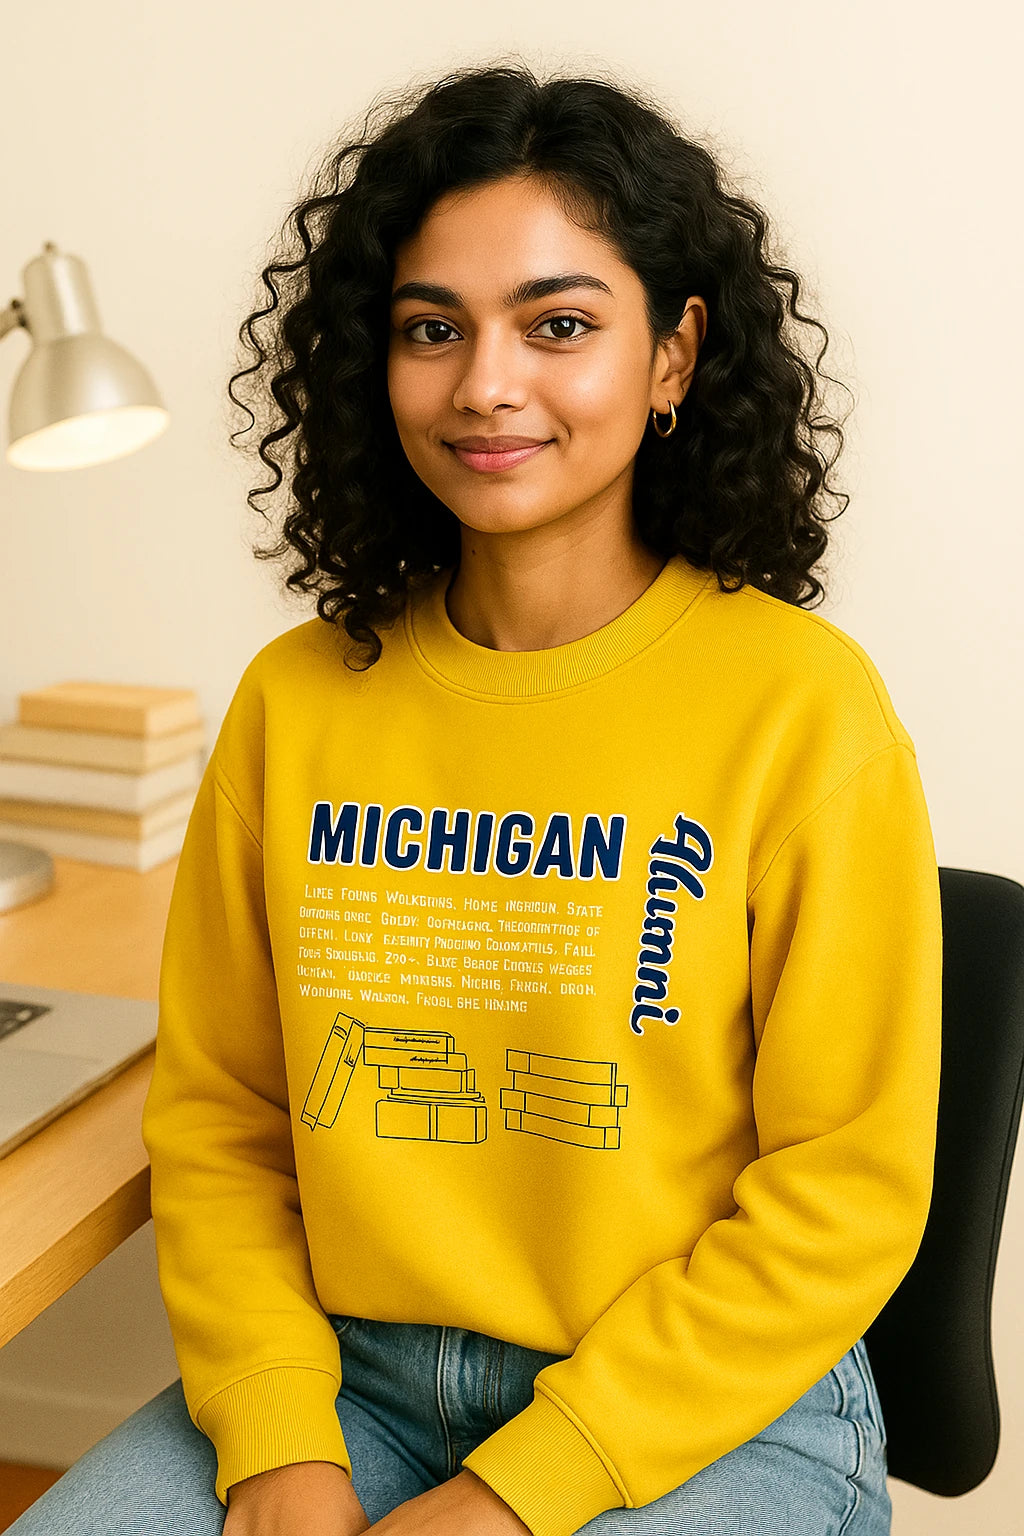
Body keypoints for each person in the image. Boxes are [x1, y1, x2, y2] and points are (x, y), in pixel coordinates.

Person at [8, 59, 941, 1536]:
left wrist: (518, 1495)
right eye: (432, 330)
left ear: (677, 354)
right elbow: (224, 1120)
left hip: (709, 1412)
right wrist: (273, 1437)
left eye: (558, 325)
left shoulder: (802, 708)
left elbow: (847, 1192)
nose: (485, 384)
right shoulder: (298, 700)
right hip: (352, 1381)